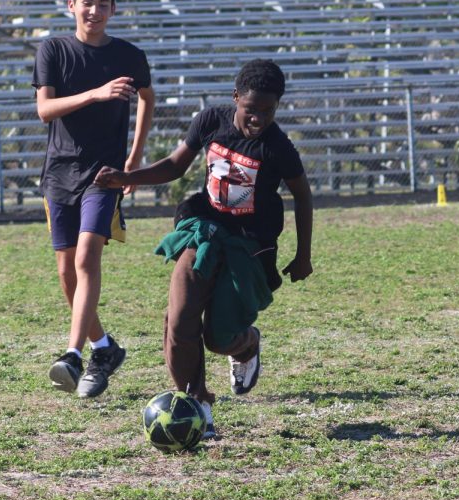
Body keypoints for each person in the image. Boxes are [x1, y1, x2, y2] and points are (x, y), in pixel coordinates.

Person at [95, 59, 313, 437]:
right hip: (204, 232)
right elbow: (175, 165)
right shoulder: (212, 120)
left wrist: (303, 254)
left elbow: (303, 196)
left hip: (248, 246)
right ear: (235, 99)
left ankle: (246, 346)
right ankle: (196, 405)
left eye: (268, 111)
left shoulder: (278, 147)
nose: (258, 118)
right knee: (178, 320)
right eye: (251, 109)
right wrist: (127, 178)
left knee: (219, 337)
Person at [33, 0, 155, 398]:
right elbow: (45, 110)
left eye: (103, 4)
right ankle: (104, 347)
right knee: (67, 271)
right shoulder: (53, 51)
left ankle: (73, 354)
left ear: (113, 9)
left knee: (86, 259)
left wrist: (134, 157)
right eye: (87, 2)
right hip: (58, 174)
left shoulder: (128, 55)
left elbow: (147, 97)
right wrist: (96, 93)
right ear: (72, 6)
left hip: (105, 174)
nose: (95, 10)